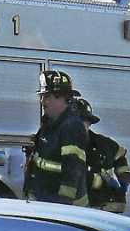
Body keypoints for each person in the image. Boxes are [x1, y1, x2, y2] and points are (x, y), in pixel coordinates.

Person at [25, 70, 90, 205]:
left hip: (66, 206)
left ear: (62, 98)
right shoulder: (49, 124)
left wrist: (63, 205)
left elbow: (73, 169)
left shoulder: (71, 126)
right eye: (42, 96)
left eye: (47, 96)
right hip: (47, 200)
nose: (43, 101)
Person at [76, 96, 130, 215]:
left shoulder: (104, 145)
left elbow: (119, 158)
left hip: (106, 208)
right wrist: (95, 180)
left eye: (83, 121)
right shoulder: (57, 145)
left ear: (89, 122)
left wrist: (124, 177)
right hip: (74, 210)